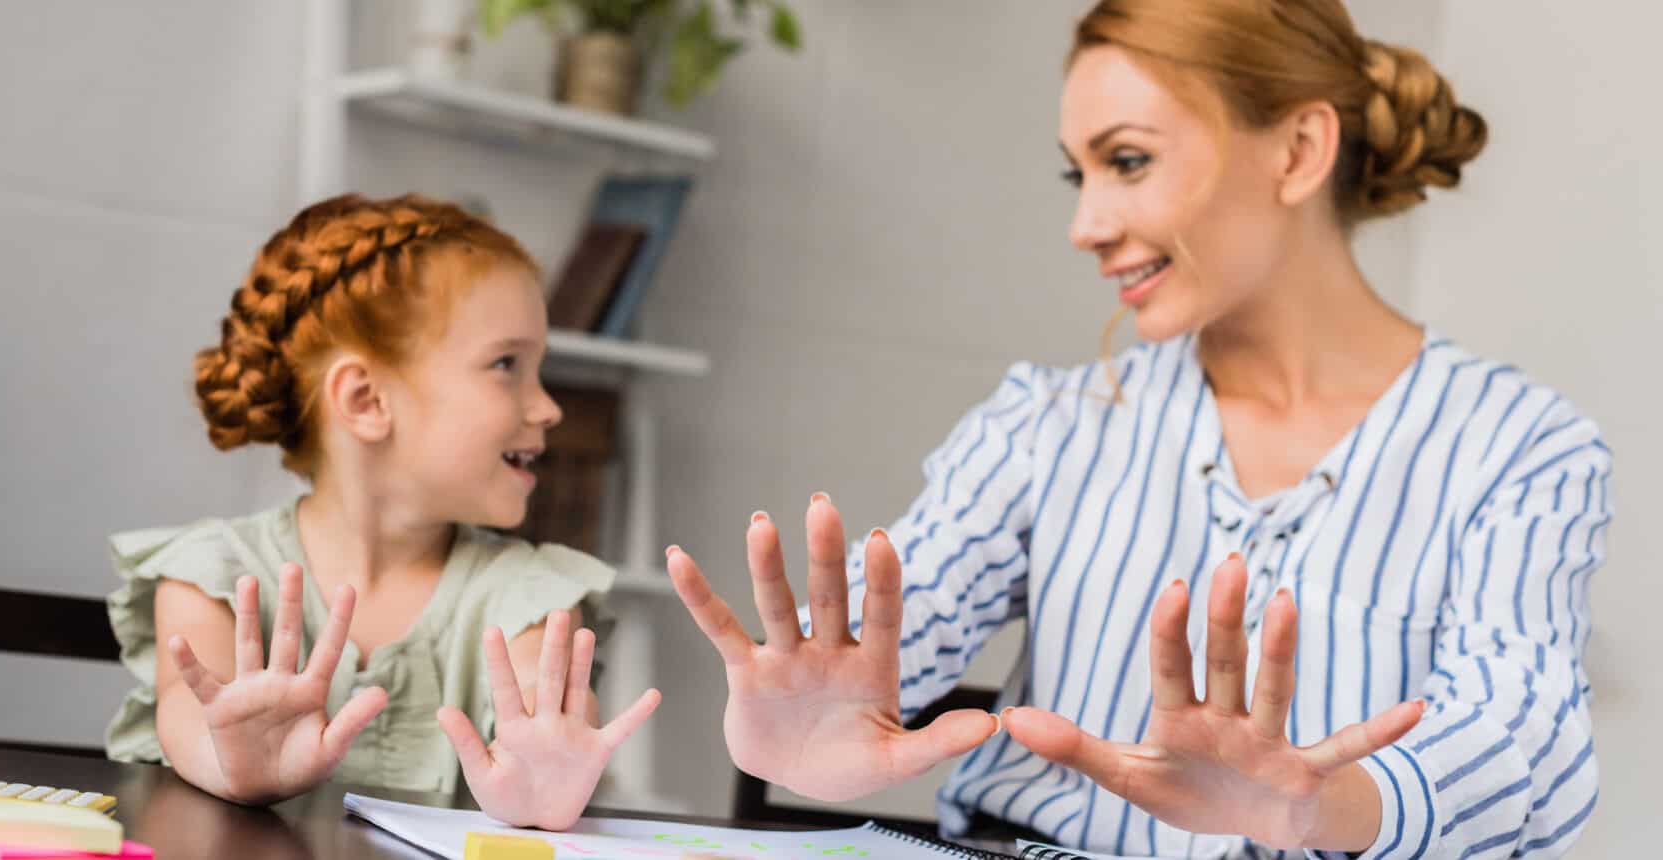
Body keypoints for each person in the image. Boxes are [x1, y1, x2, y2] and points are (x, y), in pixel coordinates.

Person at [663, 1, 1609, 856]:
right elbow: (909, 613)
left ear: (1297, 150)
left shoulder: (1519, 447)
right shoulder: (1047, 427)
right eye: (1078, 173)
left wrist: (1328, 806)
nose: (1085, 225)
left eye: (1126, 161)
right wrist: (804, 715)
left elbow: (1524, 738)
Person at [105, 194, 659, 830]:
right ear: (366, 400)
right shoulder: (211, 578)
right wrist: (232, 762)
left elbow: (545, 713)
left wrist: (546, 777)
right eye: (507, 364)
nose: (549, 408)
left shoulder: (529, 598)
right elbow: (190, 717)